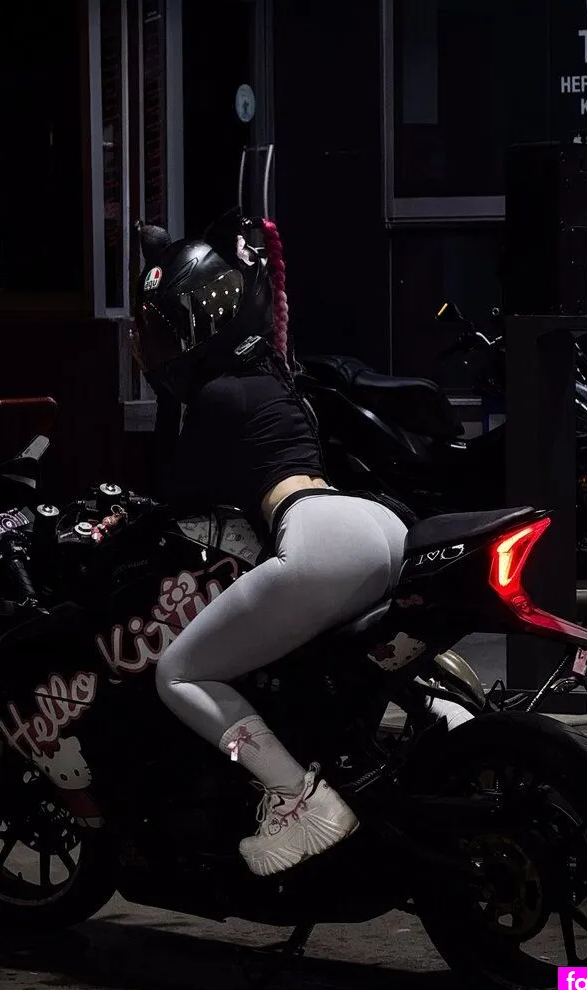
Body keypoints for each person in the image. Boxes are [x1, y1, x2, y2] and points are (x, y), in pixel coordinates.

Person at [129, 213, 408, 878]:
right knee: (389, 674)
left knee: (179, 674)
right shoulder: (278, 382)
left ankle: (298, 802)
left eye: (164, 334)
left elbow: (176, 501)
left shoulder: (219, 397)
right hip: (374, 525)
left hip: (316, 540)